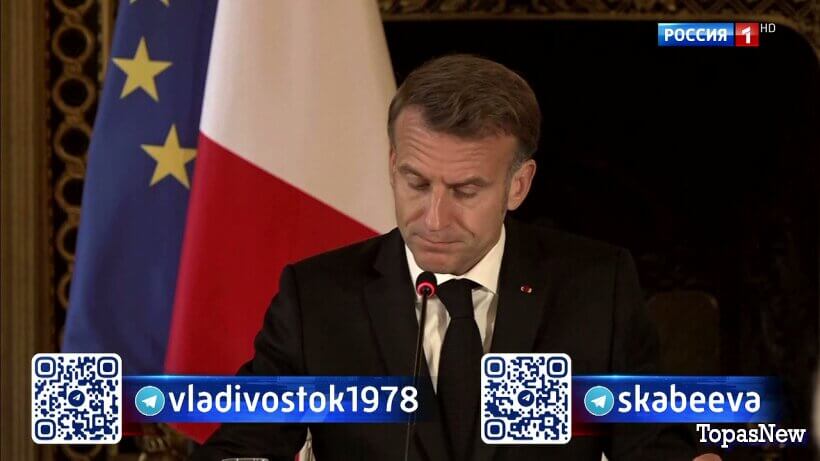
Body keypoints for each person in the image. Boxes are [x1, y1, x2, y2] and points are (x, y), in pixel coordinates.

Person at [192, 54, 713, 461]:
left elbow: (651, 442)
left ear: (518, 185)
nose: (435, 219)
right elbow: (244, 444)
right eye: (416, 183)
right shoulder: (318, 297)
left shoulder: (597, 286)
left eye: (465, 190)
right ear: (393, 164)